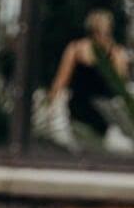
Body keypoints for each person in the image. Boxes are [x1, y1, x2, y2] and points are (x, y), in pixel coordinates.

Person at [48, 8, 129, 138]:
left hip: (101, 111)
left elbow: (119, 87)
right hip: (83, 108)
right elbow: (61, 81)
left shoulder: (115, 53)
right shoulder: (77, 49)